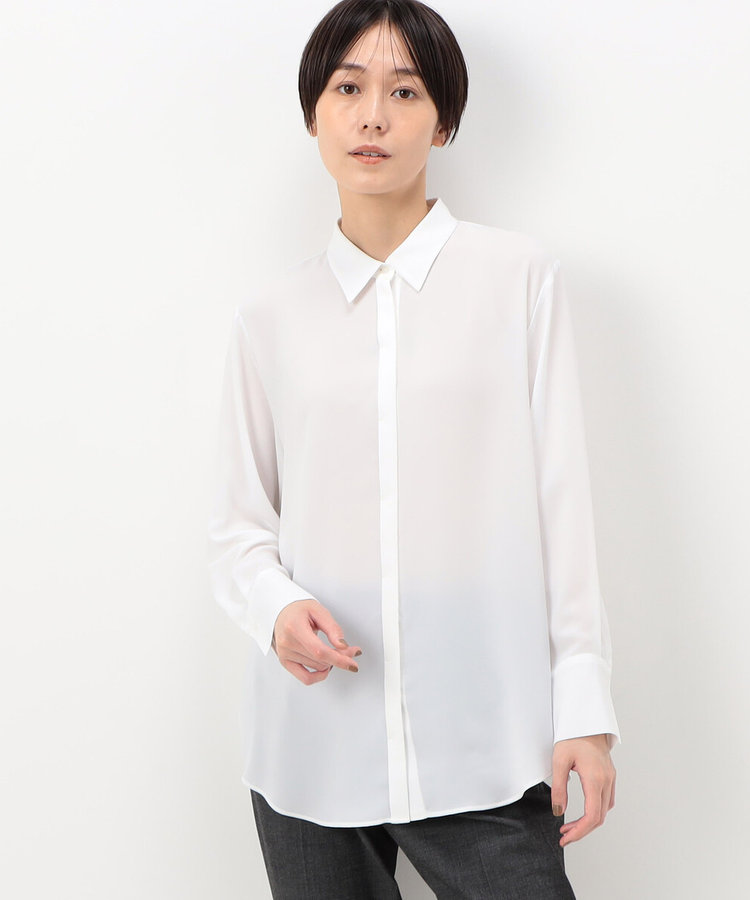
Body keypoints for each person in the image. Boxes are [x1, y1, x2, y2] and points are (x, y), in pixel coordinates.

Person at [207, 1, 622, 897]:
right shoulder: (269, 318)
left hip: (483, 741)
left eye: (405, 91)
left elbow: (562, 506)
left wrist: (584, 708)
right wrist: (277, 607)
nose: (373, 116)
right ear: (314, 114)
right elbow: (239, 529)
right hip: (312, 749)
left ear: (444, 121)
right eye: (347, 88)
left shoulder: (517, 279)